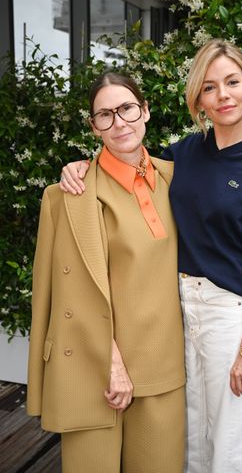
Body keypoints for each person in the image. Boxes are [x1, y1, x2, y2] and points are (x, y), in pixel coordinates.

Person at [59, 39, 242, 473]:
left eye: (232, 82)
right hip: (178, 312)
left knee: (229, 440)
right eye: (209, 87)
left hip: (231, 315)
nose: (222, 95)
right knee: (189, 438)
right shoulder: (185, 154)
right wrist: (80, 166)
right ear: (198, 100)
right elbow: (132, 171)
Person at [27, 72, 188, 473]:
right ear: (93, 126)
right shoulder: (67, 195)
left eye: (127, 109)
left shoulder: (178, 180)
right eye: (105, 115)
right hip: (94, 367)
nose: (119, 123)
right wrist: (112, 364)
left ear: (145, 110)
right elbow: (70, 296)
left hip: (162, 365)